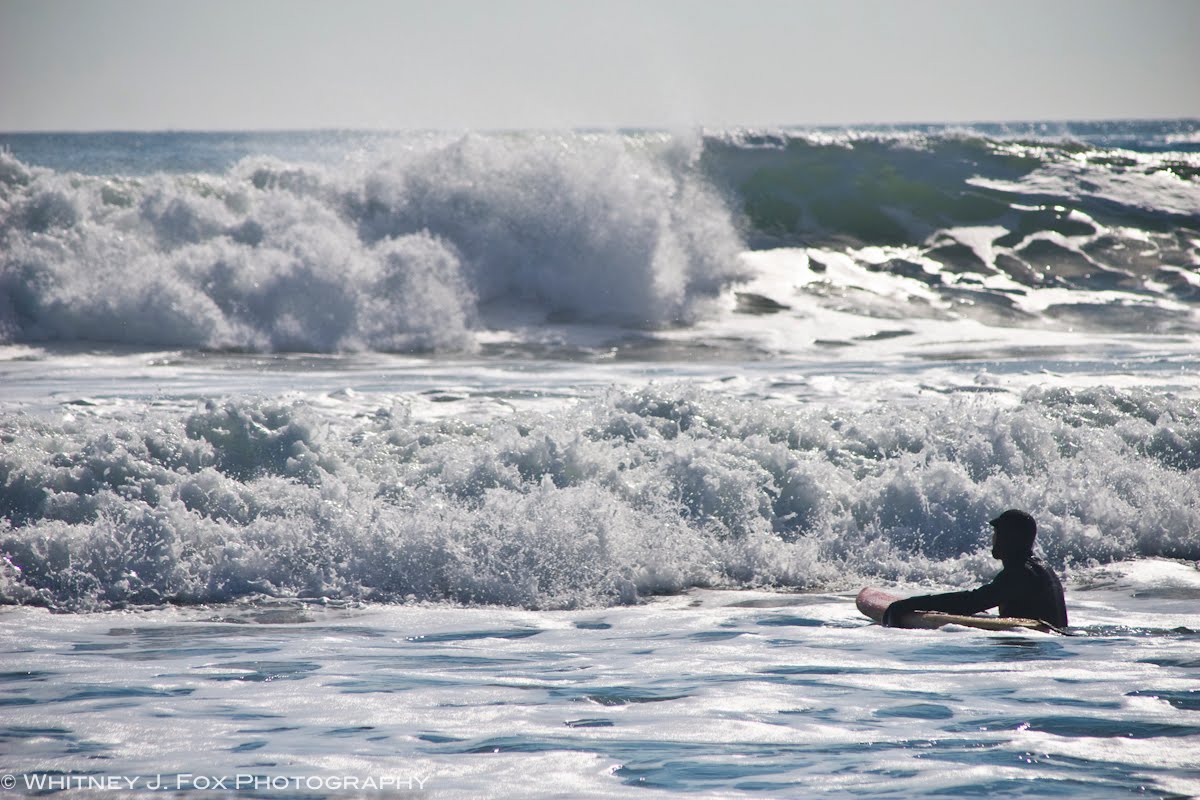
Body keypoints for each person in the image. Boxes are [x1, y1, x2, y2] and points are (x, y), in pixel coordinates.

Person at [882, 509, 1068, 629]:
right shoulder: (1041, 568)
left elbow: (970, 602)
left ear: (1010, 538)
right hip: (1046, 644)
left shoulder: (1020, 573)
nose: (993, 539)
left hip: (1031, 645)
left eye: (997, 533)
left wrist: (910, 604)